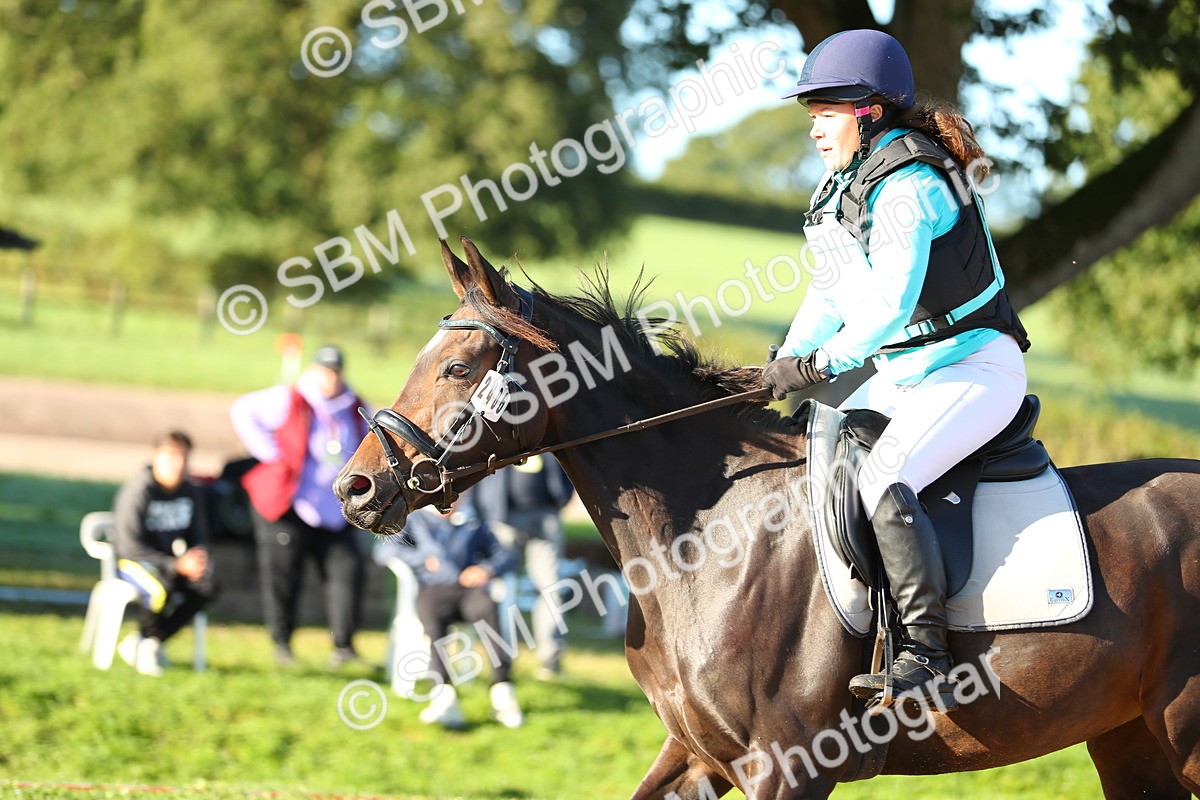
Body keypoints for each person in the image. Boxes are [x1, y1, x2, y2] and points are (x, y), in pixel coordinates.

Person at [763, 29, 1030, 711]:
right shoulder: (839, 187)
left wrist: (818, 364)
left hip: (975, 368)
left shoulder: (912, 184)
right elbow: (828, 294)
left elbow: (889, 304)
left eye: (826, 114)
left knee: (886, 473)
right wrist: (781, 363)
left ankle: (925, 654)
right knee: (818, 444)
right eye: (812, 117)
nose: (816, 130)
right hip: (911, 375)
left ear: (869, 112)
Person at [231, 345, 369, 667]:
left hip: (335, 507)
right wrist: (273, 455)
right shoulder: (290, 397)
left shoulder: (356, 405)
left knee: (346, 573)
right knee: (284, 575)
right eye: (325, 370)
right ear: (313, 369)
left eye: (335, 371)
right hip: (289, 503)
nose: (330, 378)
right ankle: (282, 644)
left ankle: (344, 648)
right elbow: (243, 411)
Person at [375, 490, 523, 729]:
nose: (450, 502)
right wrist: (422, 559)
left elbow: (505, 555)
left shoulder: (474, 522)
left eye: (455, 497)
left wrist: (486, 569)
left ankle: (502, 689)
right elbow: (385, 551)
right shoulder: (415, 521)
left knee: (488, 611)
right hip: (433, 589)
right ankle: (443, 695)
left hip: (468, 590)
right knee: (434, 624)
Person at [113, 431, 216, 677]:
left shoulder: (189, 491)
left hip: (170, 563)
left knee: (207, 588)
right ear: (156, 456)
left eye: (182, 457)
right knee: (158, 589)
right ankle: (147, 649)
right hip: (134, 562)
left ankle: (147, 641)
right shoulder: (139, 491)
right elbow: (129, 546)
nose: (177, 464)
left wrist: (198, 557)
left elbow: (197, 534)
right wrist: (175, 564)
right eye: (171, 456)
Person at [472, 455, 575, 679]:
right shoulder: (501, 433)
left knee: (551, 590)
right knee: (500, 589)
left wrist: (561, 497)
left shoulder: (542, 431)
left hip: (545, 517)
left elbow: (568, 470)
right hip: (503, 520)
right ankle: (499, 657)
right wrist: (484, 509)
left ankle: (551, 661)